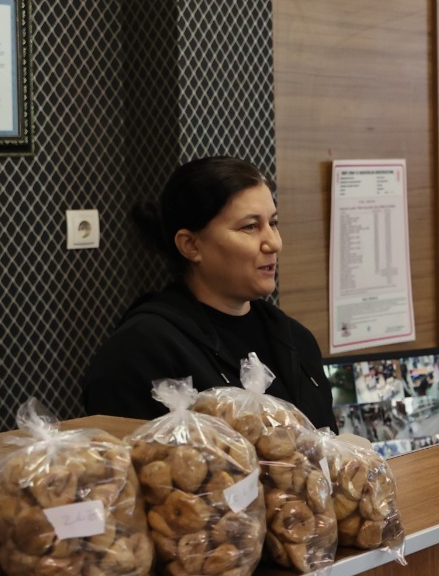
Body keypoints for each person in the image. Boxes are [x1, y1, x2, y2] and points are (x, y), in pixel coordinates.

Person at [83, 156, 335, 426]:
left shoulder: (295, 338)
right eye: (250, 226)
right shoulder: (142, 349)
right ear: (191, 245)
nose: (273, 243)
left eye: (273, 223)